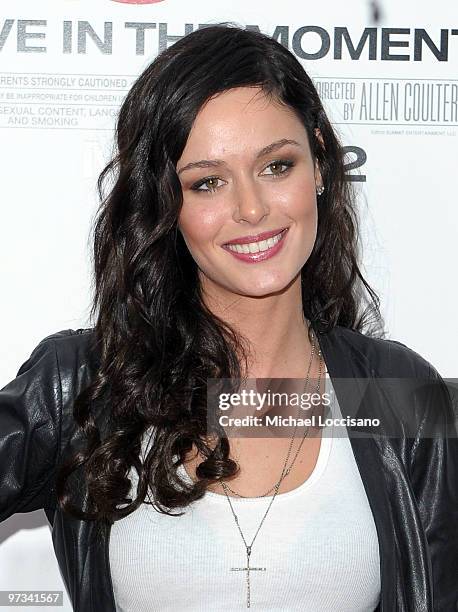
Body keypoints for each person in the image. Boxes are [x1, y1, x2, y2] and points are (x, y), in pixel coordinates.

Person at [0, 23, 457, 612]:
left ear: (319, 162)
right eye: (208, 182)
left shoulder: (395, 394)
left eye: (276, 166)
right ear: (166, 202)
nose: (250, 208)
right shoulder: (86, 385)